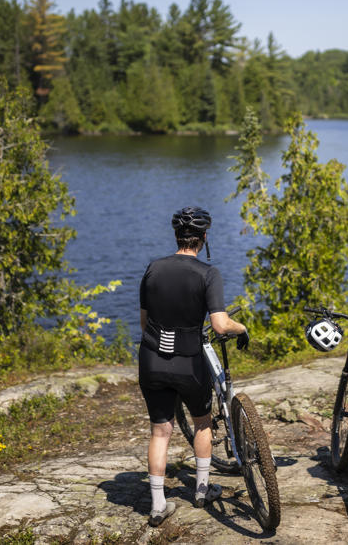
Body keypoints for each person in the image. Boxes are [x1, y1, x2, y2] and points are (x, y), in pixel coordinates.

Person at [138, 206, 248, 526]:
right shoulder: (207, 274)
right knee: (202, 423)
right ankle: (201, 490)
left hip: (152, 358)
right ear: (203, 238)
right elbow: (220, 324)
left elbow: (145, 323)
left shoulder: (152, 269)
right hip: (189, 362)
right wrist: (242, 330)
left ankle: (158, 505)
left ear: (176, 236)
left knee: (160, 432)